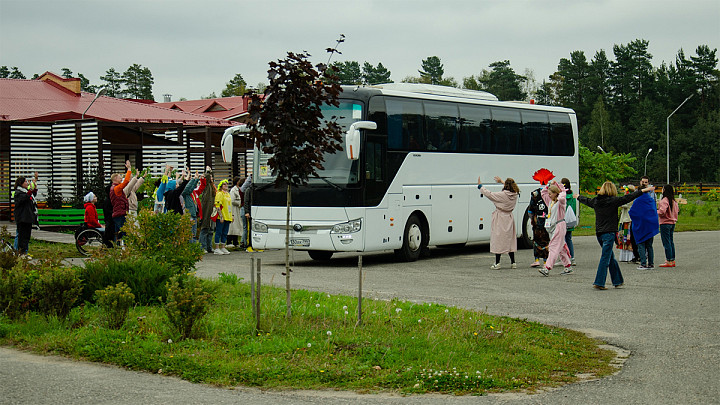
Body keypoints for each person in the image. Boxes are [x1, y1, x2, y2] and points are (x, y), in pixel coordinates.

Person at [577, 181, 654, 290]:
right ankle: (599, 282)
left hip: (599, 233)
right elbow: (628, 198)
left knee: (610, 256)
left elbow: (587, 200)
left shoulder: (596, 201)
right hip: (609, 233)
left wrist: (578, 197)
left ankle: (617, 280)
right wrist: (641, 191)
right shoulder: (613, 201)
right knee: (605, 257)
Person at [477, 176, 519, 269]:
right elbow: (510, 186)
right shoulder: (515, 194)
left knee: (498, 239)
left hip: (500, 217)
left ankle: (497, 263)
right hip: (509, 217)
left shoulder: (502, 195)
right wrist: (501, 181)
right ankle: (513, 262)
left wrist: (480, 186)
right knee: (510, 240)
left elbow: (489, 194)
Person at [538, 181, 573, 276]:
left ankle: (547, 267)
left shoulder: (561, 203)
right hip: (551, 227)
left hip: (559, 225)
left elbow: (562, 197)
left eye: (551, 193)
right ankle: (568, 266)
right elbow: (543, 193)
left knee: (553, 246)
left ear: (555, 193)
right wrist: (548, 186)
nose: (548, 195)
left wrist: (560, 189)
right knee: (561, 247)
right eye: (549, 194)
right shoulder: (550, 202)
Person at [629, 187, 659, 269]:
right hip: (650, 226)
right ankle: (651, 263)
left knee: (641, 244)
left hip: (641, 226)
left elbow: (632, 212)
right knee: (649, 245)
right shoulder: (651, 200)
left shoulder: (638, 200)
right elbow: (654, 212)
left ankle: (643, 263)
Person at [109, 160, 132, 244]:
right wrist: (129, 169)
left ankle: (116, 249)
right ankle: (126, 248)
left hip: (117, 213)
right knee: (125, 232)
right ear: (115, 179)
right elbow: (126, 182)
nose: (121, 179)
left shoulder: (113, 188)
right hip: (120, 213)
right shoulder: (116, 188)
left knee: (118, 233)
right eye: (119, 177)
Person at [13, 176, 37, 256]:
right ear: (21, 183)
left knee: (26, 236)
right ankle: (20, 252)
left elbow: (30, 197)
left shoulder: (25, 192)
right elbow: (24, 199)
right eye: (25, 182)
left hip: (28, 217)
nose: (27, 183)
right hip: (22, 218)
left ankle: (24, 252)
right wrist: (30, 192)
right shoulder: (18, 193)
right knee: (21, 236)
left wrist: (34, 189)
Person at [657, 185, 679, 268]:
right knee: (670, 241)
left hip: (665, 223)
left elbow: (662, 211)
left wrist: (656, 211)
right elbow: (677, 211)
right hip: (672, 222)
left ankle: (669, 260)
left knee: (666, 242)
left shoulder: (664, 201)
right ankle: (672, 259)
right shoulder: (674, 201)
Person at [527, 186, 550, 268]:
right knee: (546, 240)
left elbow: (530, 209)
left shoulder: (535, 193)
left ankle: (536, 259)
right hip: (548, 220)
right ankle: (545, 260)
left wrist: (532, 218)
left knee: (536, 239)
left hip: (537, 219)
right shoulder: (550, 191)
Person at [617, 185, 637, 263]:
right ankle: (625, 255)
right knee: (623, 237)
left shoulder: (630, 200)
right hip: (624, 219)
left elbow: (622, 204)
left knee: (628, 237)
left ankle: (630, 255)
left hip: (628, 220)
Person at [198, 167, 216, 253]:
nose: (211, 178)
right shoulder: (206, 186)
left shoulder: (213, 187)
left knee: (211, 230)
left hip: (212, 210)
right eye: (210, 177)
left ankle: (209, 247)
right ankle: (202, 247)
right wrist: (208, 171)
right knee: (204, 228)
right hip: (206, 209)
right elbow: (207, 178)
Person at [561, 178, 577, 266]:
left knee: (562, 240)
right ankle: (572, 257)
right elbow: (574, 208)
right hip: (570, 219)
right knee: (569, 239)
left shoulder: (562, 196)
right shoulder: (572, 196)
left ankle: (565, 258)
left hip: (562, 220)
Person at [214, 179, 232, 255]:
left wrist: (232, 215)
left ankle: (223, 246)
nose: (226, 186)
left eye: (227, 184)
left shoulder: (227, 194)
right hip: (221, 216)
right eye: (224, 184)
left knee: (225, 232)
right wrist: (220, 216)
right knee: (219, 231)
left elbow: (230, 205)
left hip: (228, 215)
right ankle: (217, 248)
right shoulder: (219, 194)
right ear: (221, 186)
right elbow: (217, 205)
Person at [181, 170, 200, 242]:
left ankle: (194, 250)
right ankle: (191, 249)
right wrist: (193, 179)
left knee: (194, 234)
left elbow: (192, 187)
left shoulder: (192, 193)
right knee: (190, 234)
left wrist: (196, 179)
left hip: (194, 214)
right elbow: (188, 187)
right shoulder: (185, 193)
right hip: (189, 214)